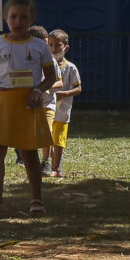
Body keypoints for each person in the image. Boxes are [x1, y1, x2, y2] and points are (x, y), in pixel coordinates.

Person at [0, 0, 58, 216]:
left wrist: (38, 90)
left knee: (29, 153)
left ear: (30, 19)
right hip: (1, 103)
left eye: (23, 17)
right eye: (13, 17)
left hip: (27, 105)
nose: (18, 22)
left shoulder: (40, 47)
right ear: (6, 18)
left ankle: (36, 200)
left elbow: (51, 76)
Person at [44, 29, 81, 178]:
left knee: (58, 141)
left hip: (63, 111)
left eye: (57, 45)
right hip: (48, 107)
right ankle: (48, 162)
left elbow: (78, 87)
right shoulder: (45, 66)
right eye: (50, 45)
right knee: (47, 137)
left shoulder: (71, 68)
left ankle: (56, 168)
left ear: (66, 47)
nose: (53, 49)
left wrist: (64, 94)